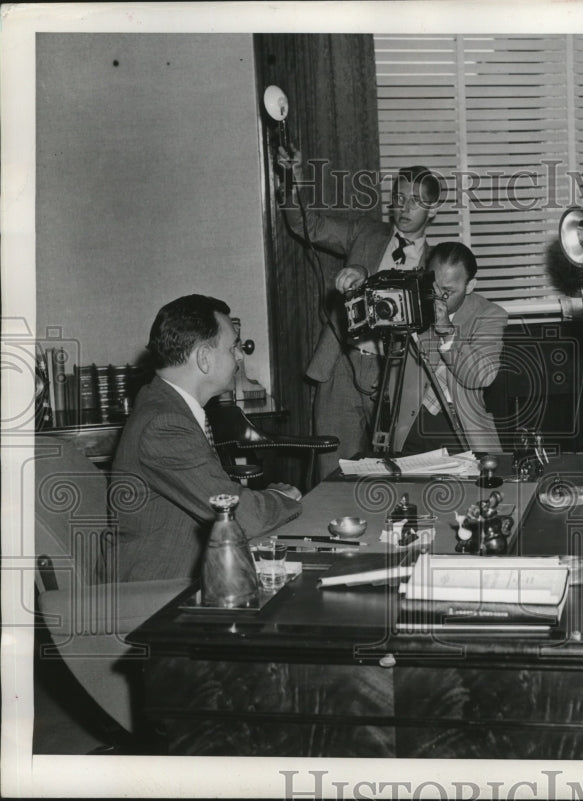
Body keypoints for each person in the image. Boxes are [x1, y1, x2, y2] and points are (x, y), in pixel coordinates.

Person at [109, 295, 303, 582]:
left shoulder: (164, 404)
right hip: (160, 591)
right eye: (233, 346)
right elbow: (244, 518)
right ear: (203, 358)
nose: (239, 356)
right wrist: (279, 496)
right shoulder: (164, 425)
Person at [277, 145, 442, 471]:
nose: (404, 207)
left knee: (398, 473)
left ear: (433, 210)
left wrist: (366, 277)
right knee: (332, 475)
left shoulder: (436, 263)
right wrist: (294, 178)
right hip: (342, 365)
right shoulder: (365, 232)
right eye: (399, 197)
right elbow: (305, 224)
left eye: (416, 201)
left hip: (395, 376)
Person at [392, 241, 507, 455]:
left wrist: (447, 330)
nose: (436, 297)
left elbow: (482, 376)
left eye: (447, 292)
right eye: (432, 286)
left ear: (470, 286)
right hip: (409, 424)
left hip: (460, 428)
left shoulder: (491, 315)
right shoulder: (411, 304)